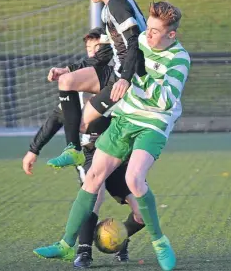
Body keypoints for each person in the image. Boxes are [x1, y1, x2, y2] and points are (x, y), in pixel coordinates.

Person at [33, 1, 190, 271]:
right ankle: (66, 245)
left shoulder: (179, 59)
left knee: (134, 178)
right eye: (148, 29)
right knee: (93, 177)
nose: (148, 35)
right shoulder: (141, 39)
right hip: (125, 118)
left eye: (155, 31)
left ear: (171, 35)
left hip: (152, 123)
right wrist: (72, 71)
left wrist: (135, 75)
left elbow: (165, 100)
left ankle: (160, 242)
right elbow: (115, 59)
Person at [22, 27, 145, 268]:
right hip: (89, 155)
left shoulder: (119, 88)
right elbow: (54, 120)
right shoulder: (75, 94)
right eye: (89, 50)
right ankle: (84, 251)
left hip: (117, 154)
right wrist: (33, 149)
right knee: (94, 194)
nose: (93, 54)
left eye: (98, 49)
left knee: (142, 211)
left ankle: (120, 236)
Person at [46, 0, 147, 169]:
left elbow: (134, 43)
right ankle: (73, 149)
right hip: (117, 72)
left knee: (83, 123)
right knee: (67, 82)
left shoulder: (117, 5)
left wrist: (126, 79)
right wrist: (68, 69)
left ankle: (104, 158)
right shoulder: (110, 5)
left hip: (131, 80)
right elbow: (102, 55)